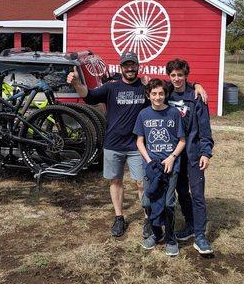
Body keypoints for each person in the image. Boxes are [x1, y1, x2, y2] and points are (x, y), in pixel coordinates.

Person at [67, 52, 207, 238]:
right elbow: (89, 96)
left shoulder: (145, 86)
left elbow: (171, 84)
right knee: (116, 181)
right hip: (113, 143)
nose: (130, 68)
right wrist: (76, 83)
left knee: (143, 183)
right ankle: (119, 217)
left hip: (137, 145)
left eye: (133, 65)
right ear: (121, 67)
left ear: (138, 66)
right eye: (126, 65)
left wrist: (196, 84)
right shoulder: (111, 87)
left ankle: (149, 219)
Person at [166, 58, 215, 255]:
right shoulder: (165, 92)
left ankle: (201, 235)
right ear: (169, 76)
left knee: (197, 194)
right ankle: (190, 225)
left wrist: (206, 152)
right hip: (174, 154)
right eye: (173, 75)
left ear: (186, 76)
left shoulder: (196, 97)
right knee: (181, 192)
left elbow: (205, 127)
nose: (177, 79)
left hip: (193, 153)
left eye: (180, 75)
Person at [134, 79, 186, 256]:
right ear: (148, 95)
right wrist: (148, 160)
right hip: (151, 166)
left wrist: (172, 158)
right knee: (148, 200)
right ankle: (156, 233)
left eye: (161, 93)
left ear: (166, 94)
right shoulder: (143, 114)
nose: (158, 97)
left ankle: (171, 239)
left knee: (168, 202)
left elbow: (182, 141)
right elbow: (139, 141)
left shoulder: (173, 113)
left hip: (170, 166)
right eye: (154, 93)